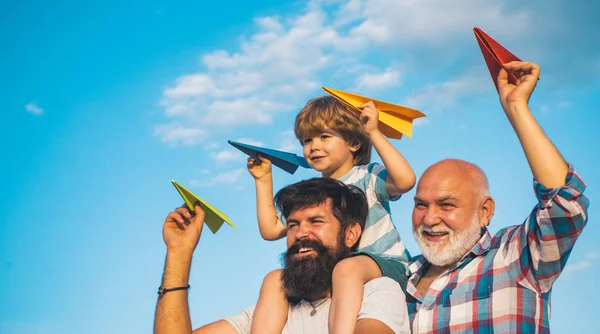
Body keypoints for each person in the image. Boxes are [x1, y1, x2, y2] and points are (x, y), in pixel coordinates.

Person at [406, 61, 589, 332]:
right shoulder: (400, 278)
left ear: (485, 211)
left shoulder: (516, 257)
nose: (430, 218)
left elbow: (565, 203)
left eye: (446, 205)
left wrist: (516, 107)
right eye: (421, 205)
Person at [153, 178, 410, 333]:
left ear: (351, 234)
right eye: (293, 224)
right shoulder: (271, 310)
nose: (301, 233)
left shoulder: (379, 292)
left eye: (316, 221)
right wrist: (179, 252)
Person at [248, 97, 416, 333]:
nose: (313, 146)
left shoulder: (367, 175)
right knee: (274, 280)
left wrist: (374, 133)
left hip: (385, 265)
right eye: (307, 140)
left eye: (324, 136)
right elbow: (271, 229)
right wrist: (263, 179)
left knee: (346, 268)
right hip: (339, 275)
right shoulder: (315, 196)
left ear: (354, 142)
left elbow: (405, 180)